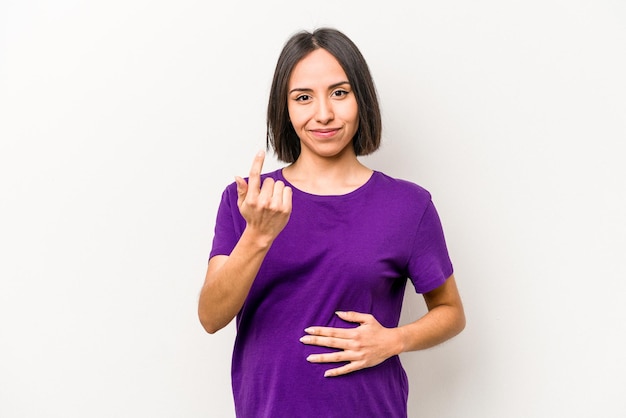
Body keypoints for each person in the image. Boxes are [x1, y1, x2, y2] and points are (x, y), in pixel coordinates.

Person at [198, 27, 465, 418]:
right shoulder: (248, 200)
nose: (323, 113)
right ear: (285, 108)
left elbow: (450, 311)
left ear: (361, 99)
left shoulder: (408, 206)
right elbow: (210, 317)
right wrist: (257, 235)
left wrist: (394, 340)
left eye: (339, 93)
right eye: (303, 98)